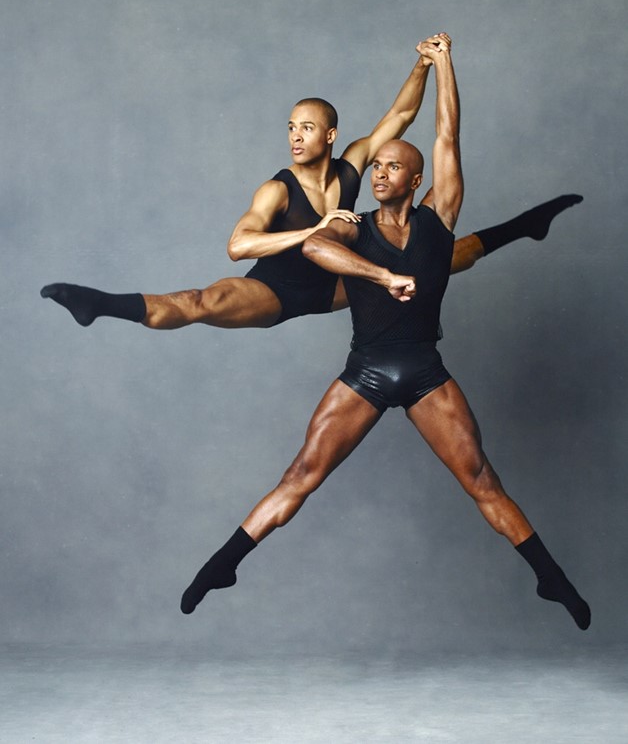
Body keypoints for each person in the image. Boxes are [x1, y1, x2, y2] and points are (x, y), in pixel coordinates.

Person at [179, 38, 590, 632]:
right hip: (365, 372)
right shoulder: (351, 226)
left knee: (483, 481)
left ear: (417, 177)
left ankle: (550, 578)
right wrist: (379, 274)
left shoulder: (439, 217)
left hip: (426, 372)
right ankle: (222, 565)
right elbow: (315, 246)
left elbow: (448, 132)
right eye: (374, 166)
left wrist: (444, 61)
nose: (378, 174)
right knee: (300, 477)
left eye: (392, 166)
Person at [40, 31, 582, 331]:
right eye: (290, 128)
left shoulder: (352, 163)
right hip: (277, 290)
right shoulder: (277, 189)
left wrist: (422, 66)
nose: (295, 137)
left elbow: (400, 118)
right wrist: (313, 229)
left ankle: (525, 226)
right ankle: (100, 303)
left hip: (340, 286)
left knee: (438, 250)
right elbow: (237, 246)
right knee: (198, 301)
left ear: (330, 135)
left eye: (306, 128)